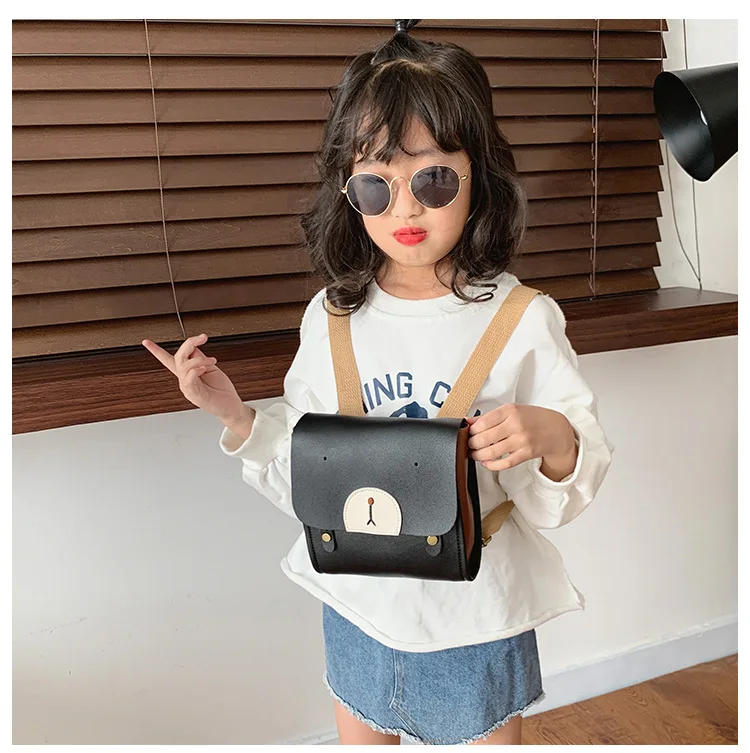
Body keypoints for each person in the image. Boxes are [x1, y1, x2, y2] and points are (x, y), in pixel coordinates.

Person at [142, 20, 615, 746]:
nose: (406, 207)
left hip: (472, 613)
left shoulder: (523, 318)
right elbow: (312, 466)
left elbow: (568, 474)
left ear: (478, 175)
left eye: (433, 179)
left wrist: (551, 438)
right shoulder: (333, 315)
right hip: (357, 603)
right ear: (348, 191)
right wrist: (237, 417)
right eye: (375, 183)